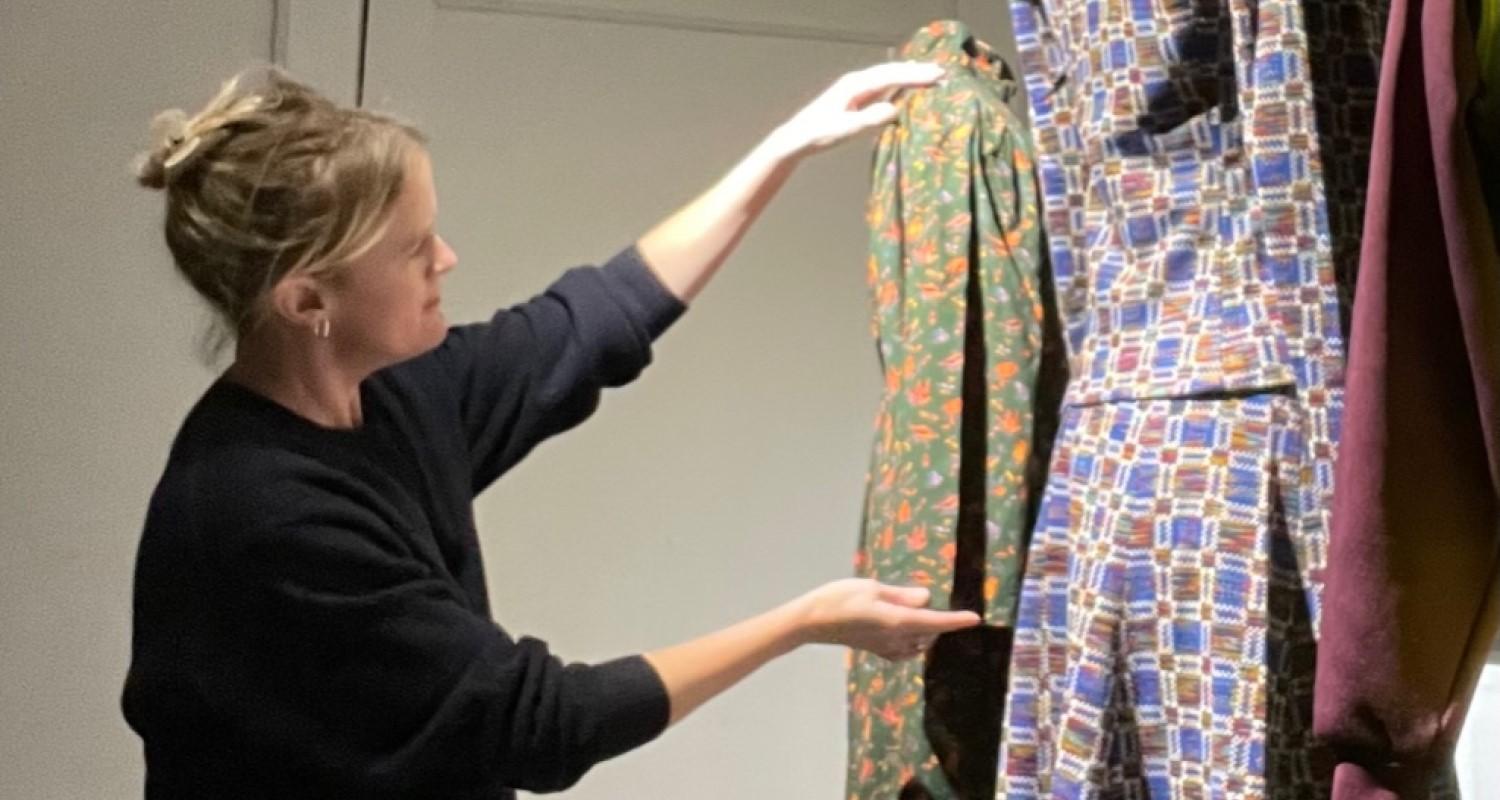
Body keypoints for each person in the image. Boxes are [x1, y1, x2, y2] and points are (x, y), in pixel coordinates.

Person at [120, 62, 975, 799]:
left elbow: (592, 323)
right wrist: (804, 623)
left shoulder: (390, 393)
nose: (445, 259)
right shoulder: (260, 514)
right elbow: (546, 724)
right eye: (414, 247)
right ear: (307, 301)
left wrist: (786, 146)